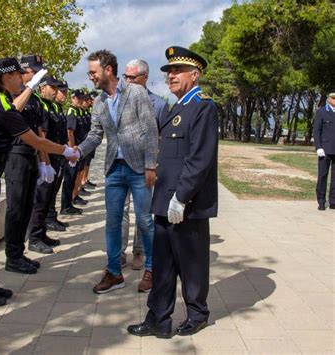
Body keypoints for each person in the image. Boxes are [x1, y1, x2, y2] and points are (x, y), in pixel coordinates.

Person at [0, 59, 77, 307]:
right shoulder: (3, 106)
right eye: (18, 75)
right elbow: (37, 141)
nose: (22, 78)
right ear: (6, 78)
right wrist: (66, 151)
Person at [127, 46, 218, 338]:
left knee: (191, 263)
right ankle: (158, 318)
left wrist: (182, 196)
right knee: (164, 265)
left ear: (195, 74)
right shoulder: (175, 107)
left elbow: (200, 158)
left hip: (186, 203)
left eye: (178, 71)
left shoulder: (203, 106)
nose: (171, 76)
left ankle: (197, 314)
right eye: (168, 72)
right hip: (164, 200)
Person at [76, 49, 158, 294]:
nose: (90, 76)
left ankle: (152, 269)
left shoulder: (136, 93)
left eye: (93, 72)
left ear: (108, 70)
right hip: (114, 169)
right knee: (112, 223)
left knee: (144, 221)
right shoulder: (99, 102)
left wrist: (151, 166)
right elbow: (94, 136)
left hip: (139, 168)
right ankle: (114, 273)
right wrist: (76, 152)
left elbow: (150, 130)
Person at [3, 54, 54, 274]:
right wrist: (29, 88)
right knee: (15, 208)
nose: (38, 76)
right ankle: (12, 255)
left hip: (31, 154)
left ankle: (19, 251)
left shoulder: (33, 97)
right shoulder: (13, 93)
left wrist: (44, 162)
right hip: (15, 155)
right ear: (24, 72)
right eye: (34, 72)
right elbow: (12, 111)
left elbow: (39, 131)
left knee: (26, 206)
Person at [121, 59, 169, 271]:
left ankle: (139, 252)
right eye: (126, 77)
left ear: (145, 78)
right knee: (120, 211)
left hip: (145, 168)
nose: (128, 81)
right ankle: (118, 252)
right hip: (121, 166)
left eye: (132, 77)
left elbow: (164, 139)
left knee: (143, 212)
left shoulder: (158, 104)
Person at [27, 75, 66, 254]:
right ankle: (34, 237)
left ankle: (41, 233)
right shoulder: (40, 104)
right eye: (53, 88)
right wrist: (45, 163)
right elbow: (41, 136)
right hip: (44, 158)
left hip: (53, 157)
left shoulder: (51, 106)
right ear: (42, 88)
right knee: (40, 200)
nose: (55, 91)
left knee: (47, 198)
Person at [46, 80, 71, 230]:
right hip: (49, 154)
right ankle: (47, 219)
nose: (62, 95)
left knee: (54, 188)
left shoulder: (58, 108)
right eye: (62, 92)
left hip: (58, 154)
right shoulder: (48, 107)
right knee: (48, 190)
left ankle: (51, 216)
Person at [60, 90, 86, 214]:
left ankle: (70, 202)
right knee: (69, 178)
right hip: (73, 150)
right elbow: (69, 132)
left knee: (74, 176)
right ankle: (65, 206)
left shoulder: (77, 110)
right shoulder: (72, 111)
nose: (80, 101)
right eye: (78, 98)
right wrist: (71, 151)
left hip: (78, 149)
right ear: (73, 98)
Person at [313, 89, 335, 211]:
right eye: (333, 98)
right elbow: (316, 131)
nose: (334, 100)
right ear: (328, 99)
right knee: (322, 176)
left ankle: (333, 200)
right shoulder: (322, 112)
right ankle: (321, 200)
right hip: (325, 149)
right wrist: (318, 147)